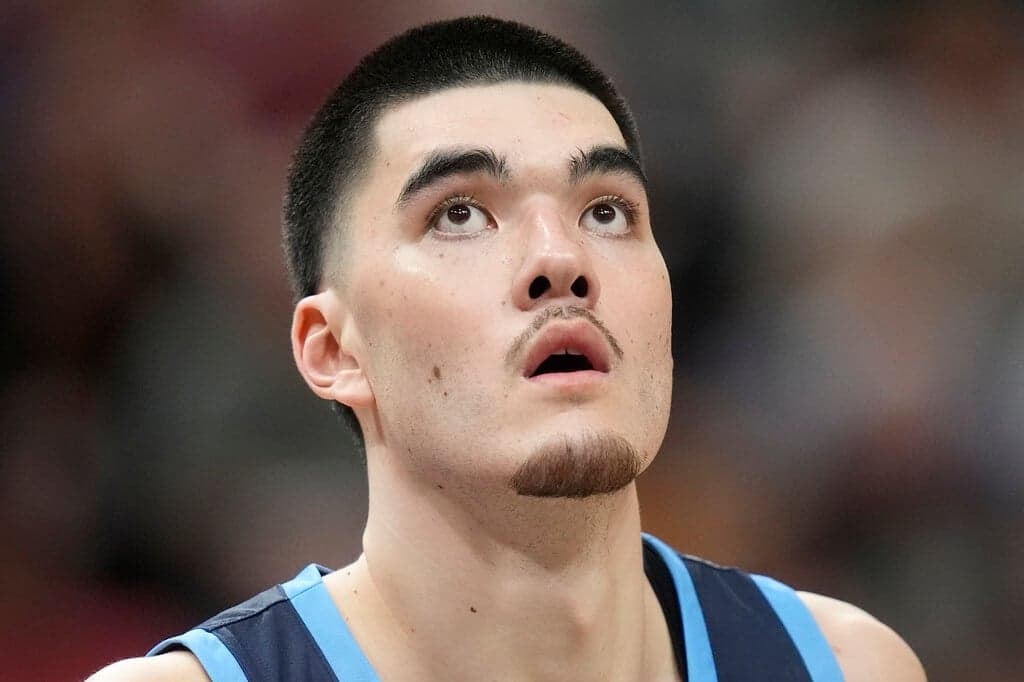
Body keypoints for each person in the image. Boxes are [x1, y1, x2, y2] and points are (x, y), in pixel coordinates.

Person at [89, 16, 926, 682]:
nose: (562, 260)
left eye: (607, 211)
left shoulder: (848, 667)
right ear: (333, 351)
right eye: (460, 213)